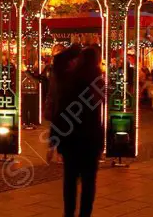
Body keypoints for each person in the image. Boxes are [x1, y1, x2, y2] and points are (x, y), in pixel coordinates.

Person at [54, 47, 104, 217]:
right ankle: (85, 214)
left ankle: (68, 213)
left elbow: (61, 112)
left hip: (71, 138)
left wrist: (55, 139)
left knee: (70, 179)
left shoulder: (70, 80)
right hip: (91, 139)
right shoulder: (98, 82)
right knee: (89, 182)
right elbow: (97, 116)